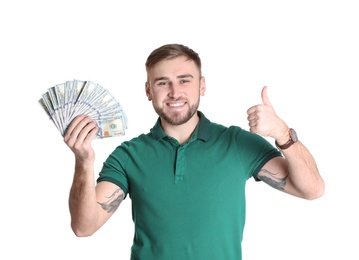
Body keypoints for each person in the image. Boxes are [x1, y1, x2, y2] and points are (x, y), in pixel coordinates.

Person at [64, 43, 325, 260]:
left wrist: (282, 133)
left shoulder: (237, 143)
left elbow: (312, 190)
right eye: (163, 83)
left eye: (184, 81)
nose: (175, 92)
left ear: (202, 86)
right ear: (148, 90)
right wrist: (84, 161)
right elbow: (84, 227)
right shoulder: (128, 155)